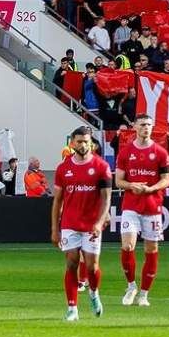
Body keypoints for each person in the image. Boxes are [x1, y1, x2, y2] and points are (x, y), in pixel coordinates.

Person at [50, 126, 112, 321]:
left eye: (86, 141)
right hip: (70, 223)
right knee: (71, 262)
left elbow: (106, 198)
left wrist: (100, 221)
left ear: (91, 143)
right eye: (79, 141)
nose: (83, 145)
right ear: (72, 143)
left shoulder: (102, 167)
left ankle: (94, 293)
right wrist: (55, 228)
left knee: (92, 267)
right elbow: (57, 200)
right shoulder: (63, 169)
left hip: (92, 224)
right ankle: (72, 308)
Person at [115, 114, 169, 307]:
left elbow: (166, 179)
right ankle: (131, 286)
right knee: (128, 246)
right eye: (142, 125)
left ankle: (144, 294)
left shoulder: (160, 152)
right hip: (131, 205)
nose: (146, 128)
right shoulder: (125, 152)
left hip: (152, 206)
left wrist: (151, 188)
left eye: (148, 124)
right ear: (134, 127)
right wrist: (132, 186)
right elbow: (118, 181)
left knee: (151, 249)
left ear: (152, 126)